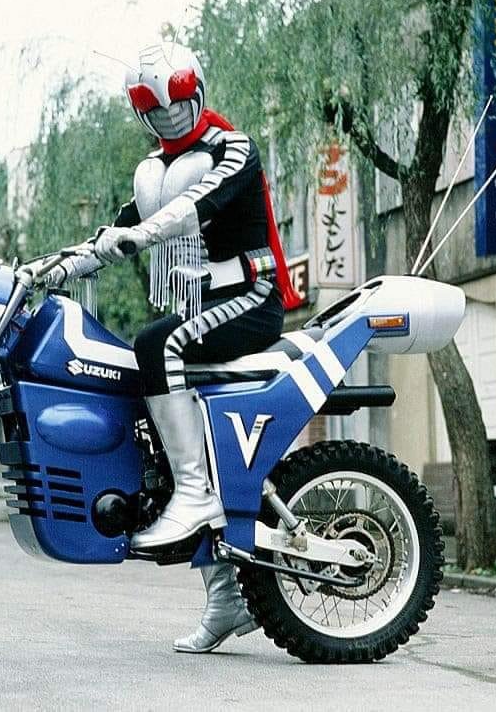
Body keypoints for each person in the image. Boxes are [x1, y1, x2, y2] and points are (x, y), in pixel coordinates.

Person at [49, 43, 300, 653]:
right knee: (151, 420)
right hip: (204, 306)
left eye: (178, 105)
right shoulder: (153, 172)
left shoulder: (233, 147)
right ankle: (226, 597)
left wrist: (138, 236)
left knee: (157, 342)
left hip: (254, 297)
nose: (169, 118)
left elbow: (197, 205)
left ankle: (194, 493)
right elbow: (113, 232)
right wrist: (48, 270)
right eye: (156, 113)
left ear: (198, 94)